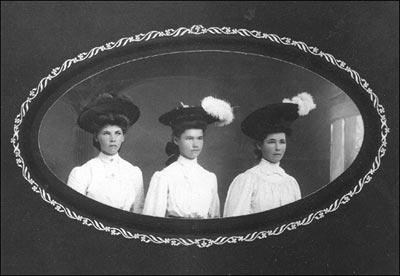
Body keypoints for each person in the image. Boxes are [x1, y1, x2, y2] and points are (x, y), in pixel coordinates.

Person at [223, 92, 316, 217]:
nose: (278, 148)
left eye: (282, 142)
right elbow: (234, 223)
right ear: (259, 145)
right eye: (271, 142)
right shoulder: (248, 180)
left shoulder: (291, 183)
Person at [142, 96, 234, 219]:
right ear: (176, 140)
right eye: (189, 138)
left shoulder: (209, 178)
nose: (195, 144)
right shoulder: (164, 177)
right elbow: (151, 221)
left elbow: (215, 218)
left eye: (199, 138)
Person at [67, 93, 144, 213]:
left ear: (123, 137)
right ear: (96, 137)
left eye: (118, 133)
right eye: (106, 133)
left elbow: (139, 210)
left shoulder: (134, 172)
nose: (113, 139)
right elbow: (74, 213)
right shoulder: (83, 172)